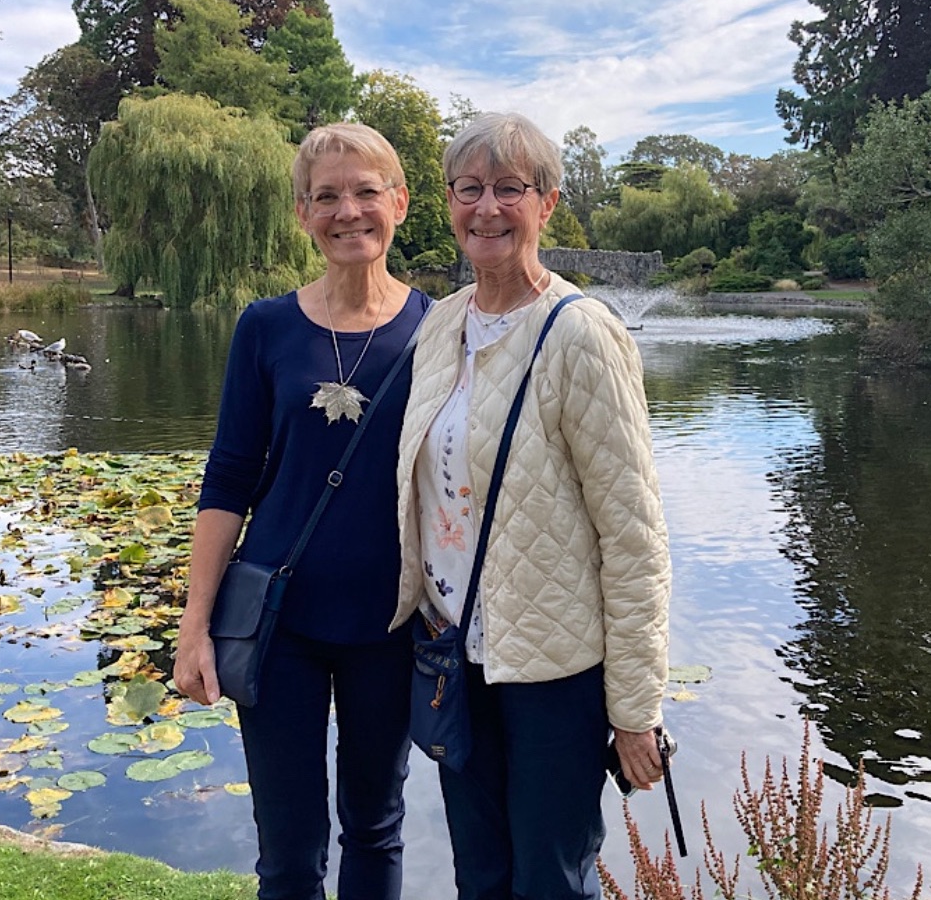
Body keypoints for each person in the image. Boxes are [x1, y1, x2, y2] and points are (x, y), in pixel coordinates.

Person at [392, 112, 672, 900]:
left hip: (553, 669)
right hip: (453, 652)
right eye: (469, 189)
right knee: (479, 874)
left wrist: (635, 709)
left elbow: (634, 537)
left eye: (509, 188)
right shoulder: (440, 324)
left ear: (546, 204)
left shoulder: (580, 334)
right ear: (449, 203)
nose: (487, 208)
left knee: (551, 879)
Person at [173, 122, 431, 900]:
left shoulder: (440, 329)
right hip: (277, 622)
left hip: (390, 624)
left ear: (399, 202)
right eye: (326, 197)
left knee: (375, 828)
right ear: (302, 214)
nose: (347, 211)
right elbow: (228, 478)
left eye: (365, 192)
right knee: (287, 851)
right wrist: (194, 625)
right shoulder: (266, 327)